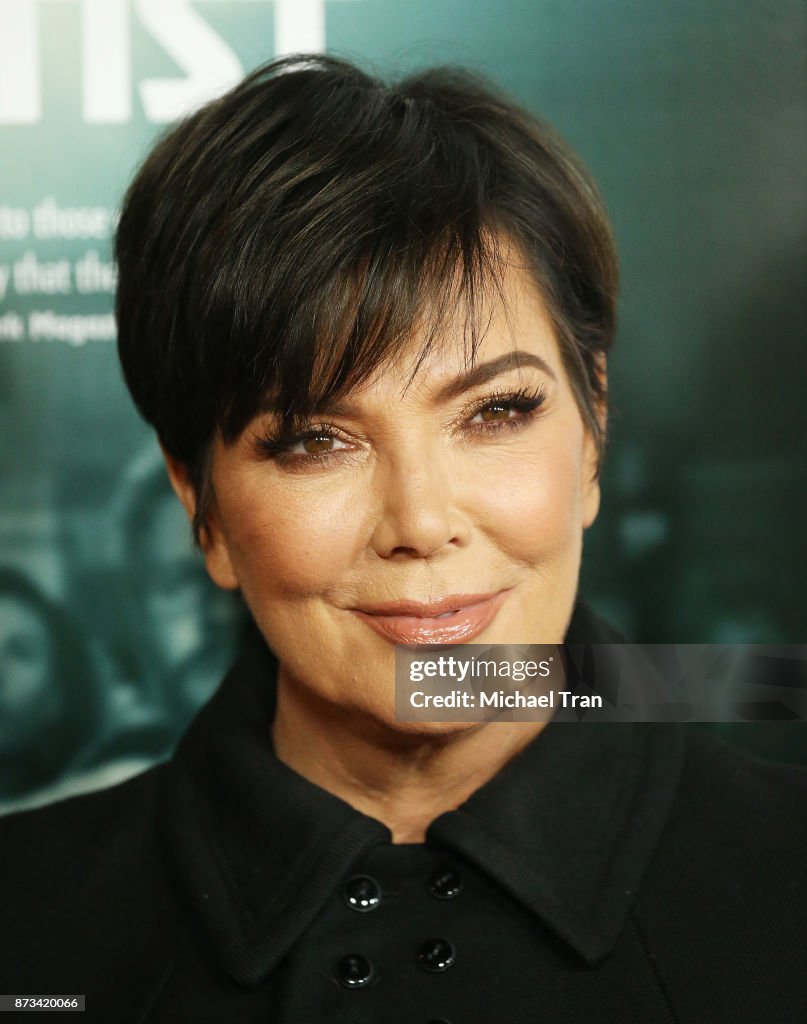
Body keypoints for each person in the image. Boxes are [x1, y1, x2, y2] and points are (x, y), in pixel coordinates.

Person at [1, 54, 805, 1022]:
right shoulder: (30, 923)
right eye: (316, 440)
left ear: (594, 430)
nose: (420, 522)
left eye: (496, 412)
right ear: (200, 502)